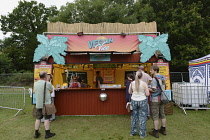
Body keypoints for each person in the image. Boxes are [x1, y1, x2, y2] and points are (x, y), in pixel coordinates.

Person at [34, 71, 56, 139]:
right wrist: (48, 80)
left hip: (38, 104)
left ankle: (36, 133)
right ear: (45, 76)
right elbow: (51, 89)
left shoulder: (35, 83)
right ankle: (47, 133)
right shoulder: (47, 83)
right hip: (46, 104)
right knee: (47, 118)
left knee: (38, 118)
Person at [129, 71, 150, 138]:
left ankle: (133, 132)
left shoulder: (132, 83)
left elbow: (129, 92)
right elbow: (147, 94)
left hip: (134, 100)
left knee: (134, 116)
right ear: (142, 76)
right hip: (142, 100)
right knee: (142, 117)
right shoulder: (144, 84)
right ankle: (142, 134)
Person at [149, 65, 167, 138]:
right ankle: (163, 129)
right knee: (162, 114)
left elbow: (154, 90)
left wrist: (147, 88)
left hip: (155, 99)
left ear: (154, 70)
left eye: (151, 70)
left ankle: (155, 131)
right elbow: (165, 87)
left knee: (155, 115)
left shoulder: (154, 79)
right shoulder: (162, 77)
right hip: (162, 98)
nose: (150, 71)